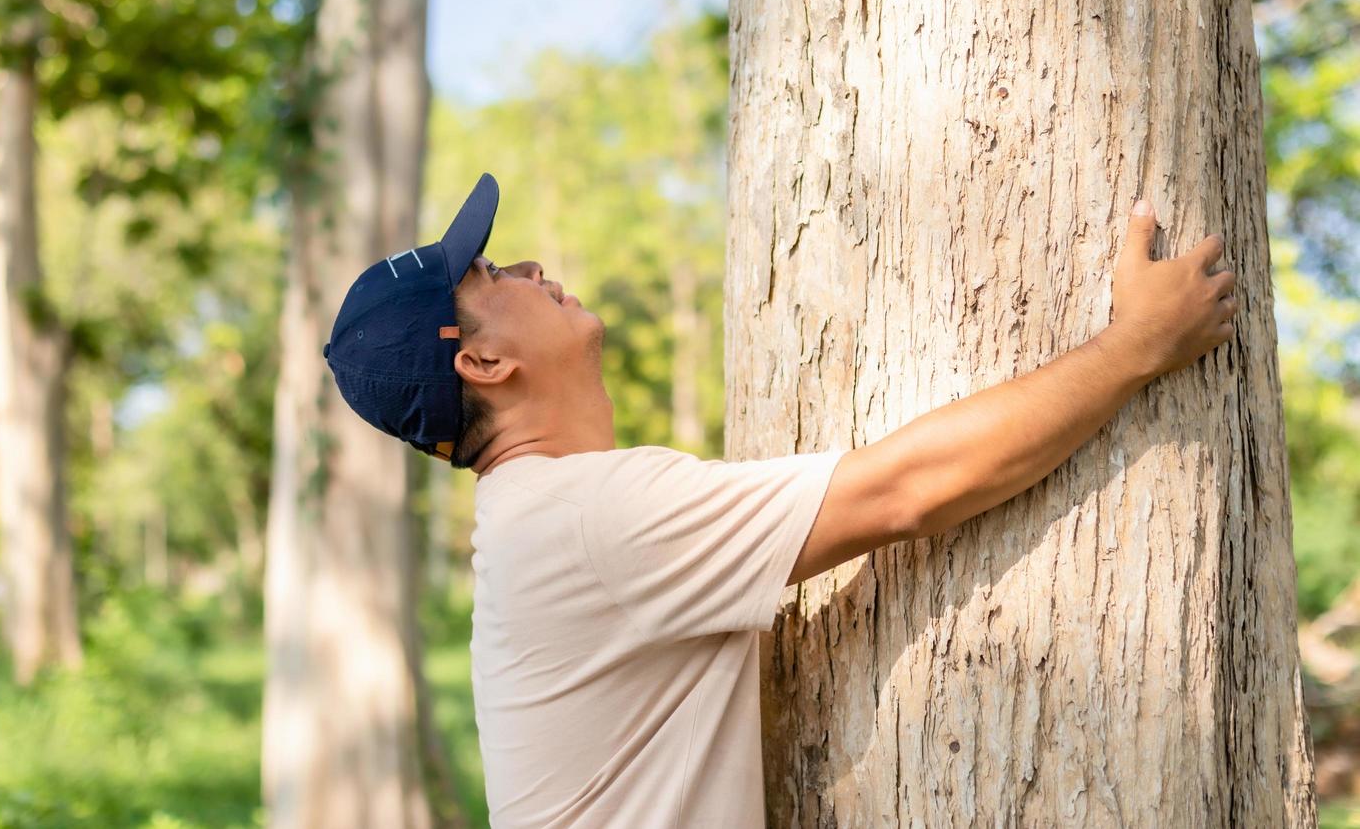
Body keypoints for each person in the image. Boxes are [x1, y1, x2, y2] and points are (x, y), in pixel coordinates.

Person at [322, 173, 1237, 828]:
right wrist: (1134, 348)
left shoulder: (545, 515)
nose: (523, 264)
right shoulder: (590, 515)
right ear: (481, 363)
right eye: (487, 277)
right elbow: (906, 491)